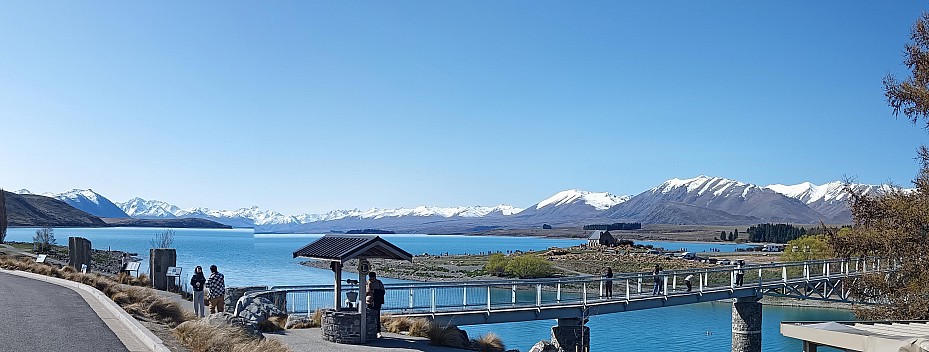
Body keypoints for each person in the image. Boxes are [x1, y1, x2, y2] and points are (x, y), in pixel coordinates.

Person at [366, 272, 386, 338]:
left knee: (377, 317)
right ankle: (368, 331)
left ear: (375, 277)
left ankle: (378, 331)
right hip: (368, 302)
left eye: (372, 277)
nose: (371, 279)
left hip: (377, 302)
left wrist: (374, 291)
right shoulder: (367, 283)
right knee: (367, 317)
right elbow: (363, 292)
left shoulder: (379, 283)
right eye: (370, 278)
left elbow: (383, 292)